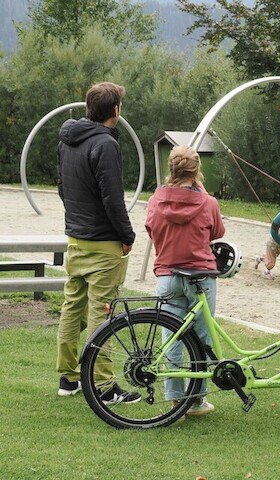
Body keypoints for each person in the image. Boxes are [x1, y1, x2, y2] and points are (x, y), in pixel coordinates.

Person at [56, 82, 139, 403]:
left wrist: (77, 218)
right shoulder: (105, 144)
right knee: (102, 313)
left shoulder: (67, 140)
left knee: (71, 306)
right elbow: (112, 198)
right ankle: (104, 387)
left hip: (75, 238)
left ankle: (68, 379)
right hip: (104, 243)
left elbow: (62, 187)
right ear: (115, 110)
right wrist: (127, 236)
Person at [145, 145, 225, 418]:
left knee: (171, 337)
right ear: (197, 170)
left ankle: (175, 398)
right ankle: (196, 400)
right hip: (200, 277)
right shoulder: (207, 202)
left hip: (167, 275)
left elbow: (150, 230)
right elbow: (217, 231)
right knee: (201, 339)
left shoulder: (156, 200)